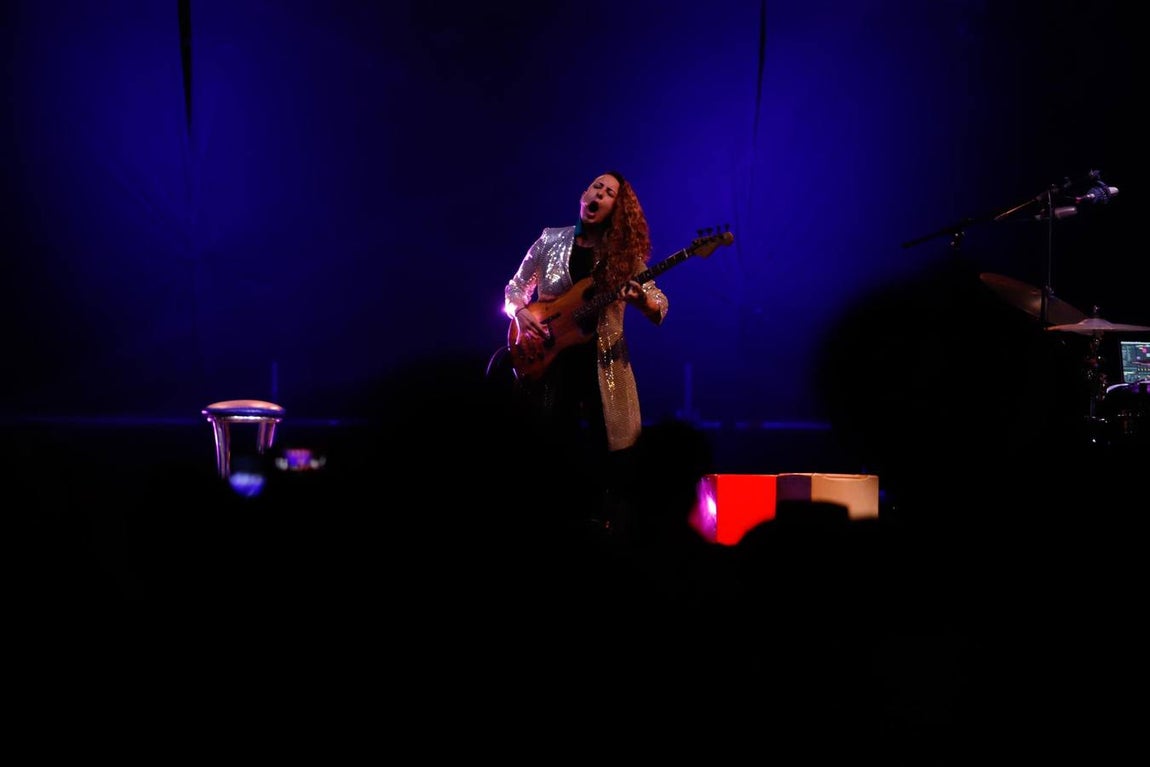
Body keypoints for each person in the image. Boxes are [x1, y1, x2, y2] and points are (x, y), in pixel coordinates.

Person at [502, 170, 669, 530]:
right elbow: (514, 289)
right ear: (583, 194)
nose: (598, 194)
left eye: (608, 193)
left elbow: (660, 305)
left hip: (603, 368)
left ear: (616, 208)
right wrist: (519, 314)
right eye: (596, 187)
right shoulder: (550, 240)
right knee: (546, 450)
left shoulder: (623, 259)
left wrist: (641, 299)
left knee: (604, 456)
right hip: (548, 363)